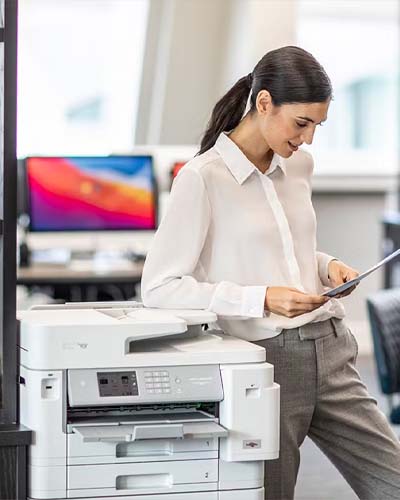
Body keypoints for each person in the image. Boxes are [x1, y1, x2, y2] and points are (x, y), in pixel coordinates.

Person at [141, 46, 400, 500]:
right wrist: (260, 298)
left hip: (333, 349)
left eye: (317, 126)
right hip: (268, 360)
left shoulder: (298, 164)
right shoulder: (202, 178)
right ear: (263, 103)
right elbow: (160, 287)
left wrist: (324, 265)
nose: (309, 139)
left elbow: (285, 245)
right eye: (302, 123)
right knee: (270, 493)